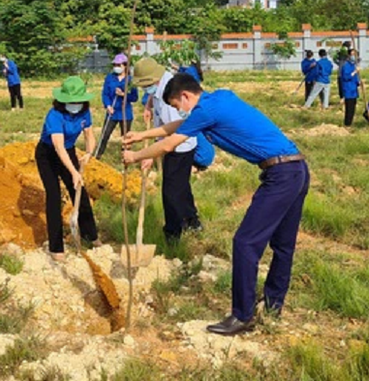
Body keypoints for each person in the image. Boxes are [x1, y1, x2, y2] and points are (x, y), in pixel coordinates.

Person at [123, 74, 309, 336]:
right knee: (283, 246)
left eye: (178, 105)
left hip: (281, 176)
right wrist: (142, 134)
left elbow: (168, 144)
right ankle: (272, 306)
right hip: (297, 168)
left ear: (186, 96)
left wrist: (135, 155)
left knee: (245, 243)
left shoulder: (206, 109)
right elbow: (177, 126)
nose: (179, 110)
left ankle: (242, 316)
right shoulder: (219, 98)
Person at [133, 58, 203, 241]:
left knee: (171, 192)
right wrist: (148, 105)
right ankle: (192, 220)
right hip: (176, 143)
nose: (144, 89)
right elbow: (153, 97)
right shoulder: (163, 84)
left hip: (179, 147)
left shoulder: (170, 98)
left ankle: (173, 233)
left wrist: (148, 154)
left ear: (154, 80)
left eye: (145, 86)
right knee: (181, 185)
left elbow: (172, 133)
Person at [35, 76, 99, 261]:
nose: (75, 104)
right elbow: (58, 147)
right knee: (54, 196)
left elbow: (89, 135)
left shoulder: (85, 113)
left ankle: (91, 235)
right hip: (48, 154)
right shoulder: (54, 115)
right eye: (71, 101)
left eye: (78, 101)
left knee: (79, 191)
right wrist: (74, 172)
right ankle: (56, 248)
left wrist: (88, 153)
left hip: (69, 151)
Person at [96, 54, 139, 159]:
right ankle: (98, 155)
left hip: (125, 113)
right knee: (105, 134)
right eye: (115, 64)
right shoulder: (110, 78)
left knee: (126, 137)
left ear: (125, 66)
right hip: (112, 112)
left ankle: (126, 157)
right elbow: (105, 94)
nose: (116, 67)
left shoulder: (130, 80)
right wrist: (108, 106)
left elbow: (134, 97)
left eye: (119, 65)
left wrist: (124, 95)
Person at [340, 49, 361, 127]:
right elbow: (346, 77)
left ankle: (350, 123)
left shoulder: (354, 65)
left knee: (353, 109)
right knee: (349, 108)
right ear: (349, 55)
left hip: (354, 90)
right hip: (348, 90)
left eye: (355, 55)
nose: (354, 57)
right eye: (352, 55)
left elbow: (355, 78)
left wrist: (358, 83)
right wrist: (355, 72)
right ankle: (347, 124)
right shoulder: (346, 65)